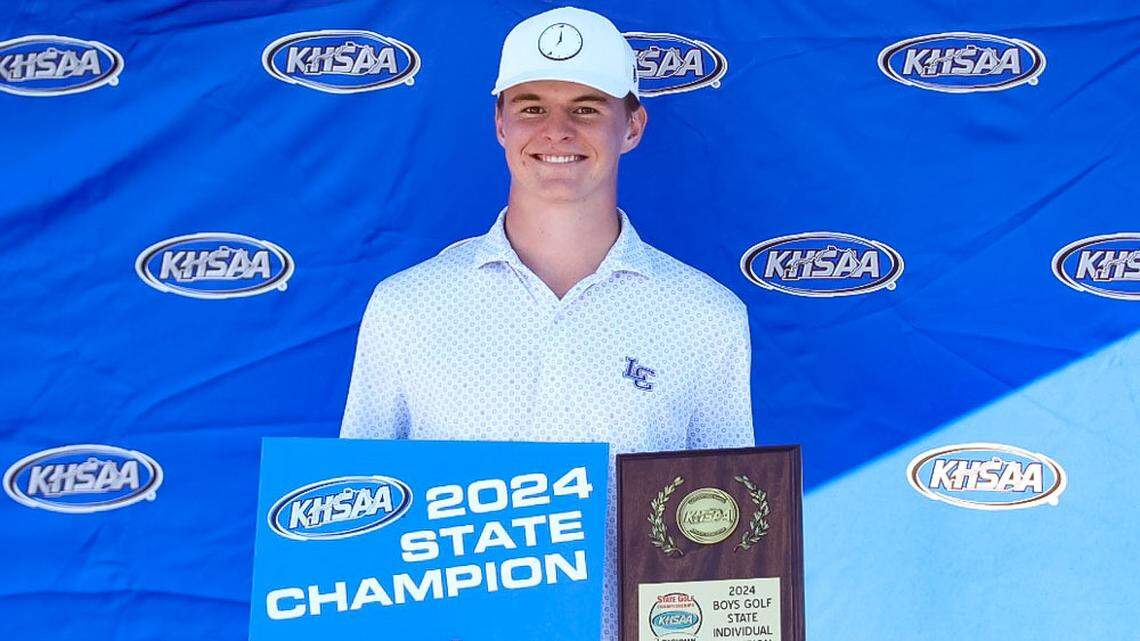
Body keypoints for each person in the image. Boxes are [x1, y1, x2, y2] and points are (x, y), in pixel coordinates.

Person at [340, 6, 754, 639]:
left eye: (586, 107)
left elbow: (726, 553)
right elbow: (350, 523)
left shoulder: (705, 317)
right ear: (500, 123)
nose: (557, 130)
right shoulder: (407, 306)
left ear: (633, 125)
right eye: (531, 106)